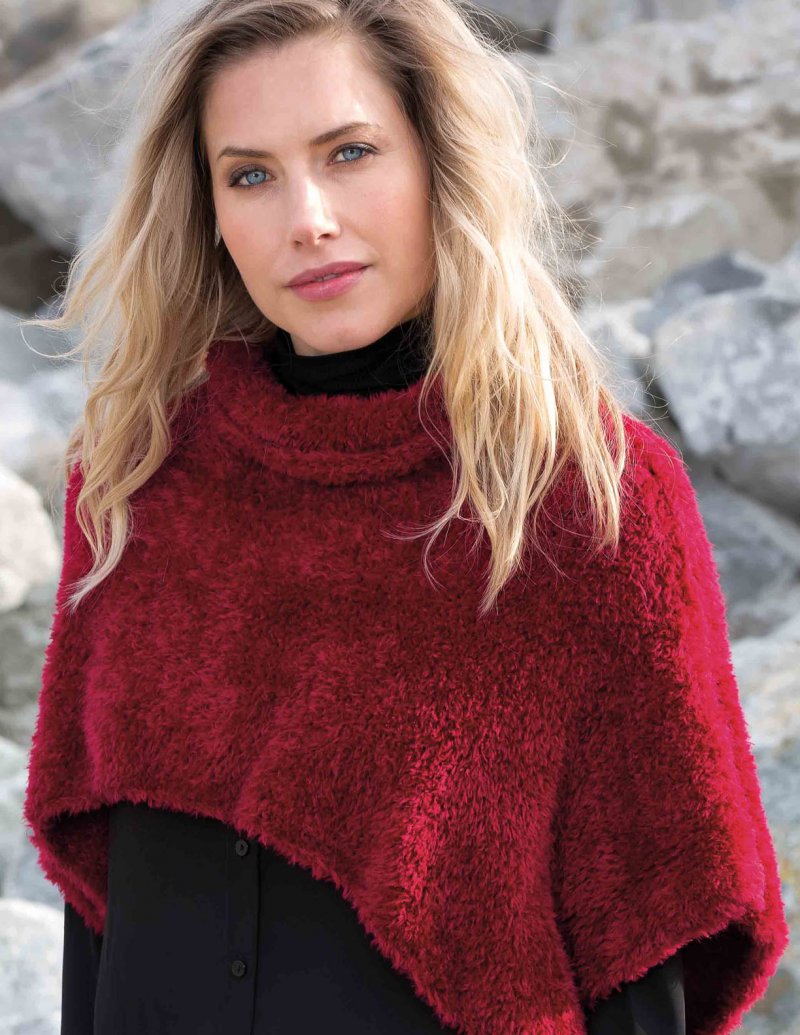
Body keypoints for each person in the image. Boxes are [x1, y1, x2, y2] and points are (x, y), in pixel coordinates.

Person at [21, 1, 788, 1033]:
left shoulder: (582, 497)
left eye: (349, 153)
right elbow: (102, 898)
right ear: (205, 210)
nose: (307, 218)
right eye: (250, 175)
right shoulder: (137, 475)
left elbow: (647, 930)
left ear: (440, 161)